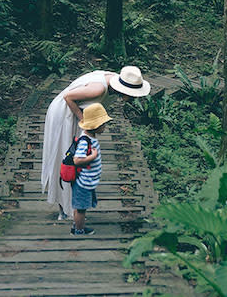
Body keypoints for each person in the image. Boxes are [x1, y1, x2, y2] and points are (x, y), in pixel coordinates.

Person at [41, 66, 150, 219]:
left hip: (77, 114)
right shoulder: (99, 89)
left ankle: (70, 205)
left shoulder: (113, 82)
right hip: (64, 114)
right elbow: (68, 97)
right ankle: (63, 207)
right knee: (65, 156)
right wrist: (84, 120)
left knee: (75, 159)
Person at [70, 103, 111, 235]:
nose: (105, 127)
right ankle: (79, 230)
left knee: (79, 207)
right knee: (81, 208)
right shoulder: (85, 141)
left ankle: (77, 226)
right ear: (95, 126)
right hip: (83, 182)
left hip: (87, 181)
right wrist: (93, 156)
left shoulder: (90, 137)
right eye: (103, 124)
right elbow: (77, 160)